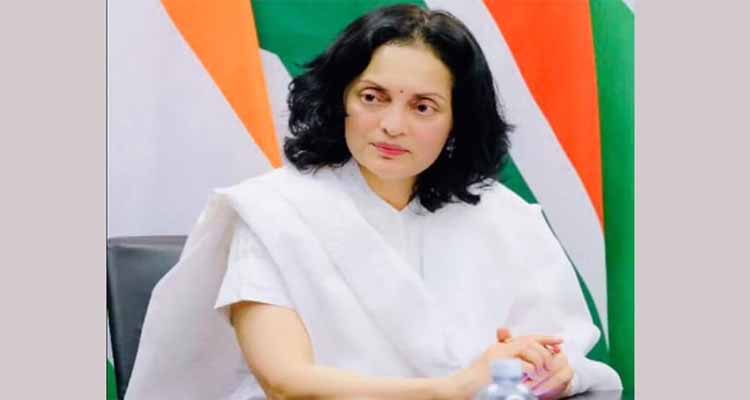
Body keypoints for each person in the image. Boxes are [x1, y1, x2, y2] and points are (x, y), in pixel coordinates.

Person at [125, 4, 623, 400]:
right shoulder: (273, 210)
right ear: (340, 99)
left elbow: (561, 355)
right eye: (372, 97)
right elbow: (286, 381)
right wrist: (452, 389)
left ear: (457, 123)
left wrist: (553, 372)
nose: (392, 125)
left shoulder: (505, 217)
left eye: (422, 107)